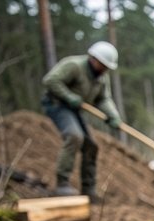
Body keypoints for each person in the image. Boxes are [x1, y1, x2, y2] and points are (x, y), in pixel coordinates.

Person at [41, 41, 122, 198]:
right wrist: (68, 96)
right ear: (93, 59)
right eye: (103, 65)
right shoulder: (74, 66)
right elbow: (50, 80)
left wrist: (113, 115)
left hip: (75, 110)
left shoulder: (101, 78)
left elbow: (103, 99)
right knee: (74, 135)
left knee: (91, 146)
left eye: (107, 67)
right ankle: (62, 183)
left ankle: (88, 189)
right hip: (57, 104)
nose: (105, 69)